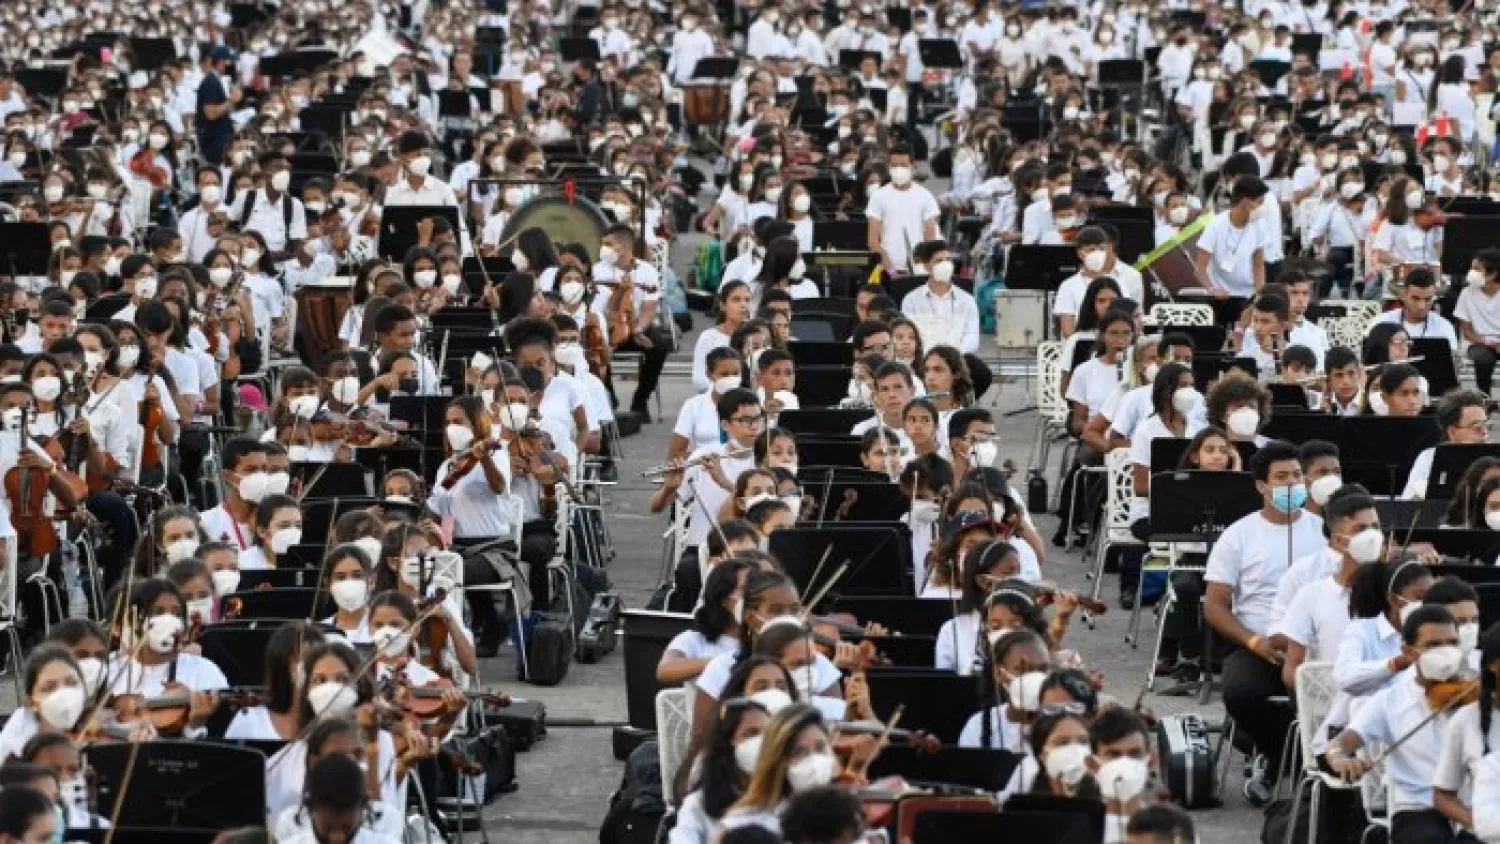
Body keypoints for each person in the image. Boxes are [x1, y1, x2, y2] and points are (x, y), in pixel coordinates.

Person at [1205, 440, 1327, 802]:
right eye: (1281, 477)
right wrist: (1253, 642)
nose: (1292, 484)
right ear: (1261, 485)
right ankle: (1278, 755)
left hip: (1313, 645)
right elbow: (1215, 605)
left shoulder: (1323, 531)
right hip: (1258, 644)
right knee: (1241, 693)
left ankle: (1284, 762)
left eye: (1296, 476)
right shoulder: (1238, 535)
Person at [1325, 605, 1468, 844]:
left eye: (1452, 643)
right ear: (1409, 652)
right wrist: (1339, 757)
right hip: (1419, 807)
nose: (1446, 652)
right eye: (1434, 645)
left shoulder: (1478, 692)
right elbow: (1342, 742)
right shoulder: (1390, 699)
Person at [1403, 390, 1490, 500]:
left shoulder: (1493, 458)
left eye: (1486, 426)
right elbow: (1408, 503)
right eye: (1477, 427)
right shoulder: (1429, 458)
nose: (1485, 432)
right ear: (1452, 432)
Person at [1458, 248, 1500, 397]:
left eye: (1477, 269)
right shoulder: (1466, 293)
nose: (1471, 272)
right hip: (1478, 343)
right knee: (1483, 360)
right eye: (1472, 268)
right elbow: (1467, 332)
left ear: (1493, 274)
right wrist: (1490, 342)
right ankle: (1485, 401)